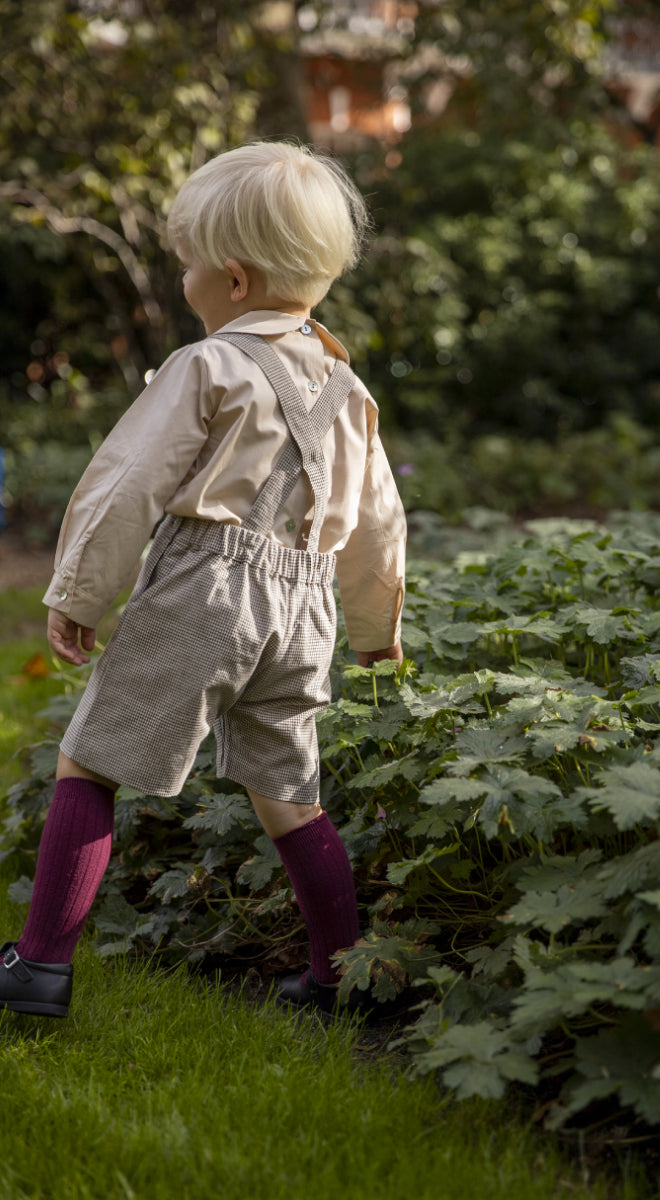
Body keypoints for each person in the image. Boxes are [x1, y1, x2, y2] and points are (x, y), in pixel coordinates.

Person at [0, 141, 406, 1020]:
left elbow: (126, 485)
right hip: (306, 608)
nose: (181, 278)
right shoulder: (350, 390)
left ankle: (37, 967)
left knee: (91, 759)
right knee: (290, 792)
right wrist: (375, 629)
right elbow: (379, 524)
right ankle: (341, 976)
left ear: (229, 278)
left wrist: (76, 592)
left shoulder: (205, 366)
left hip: (206, 591)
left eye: (184, 264)